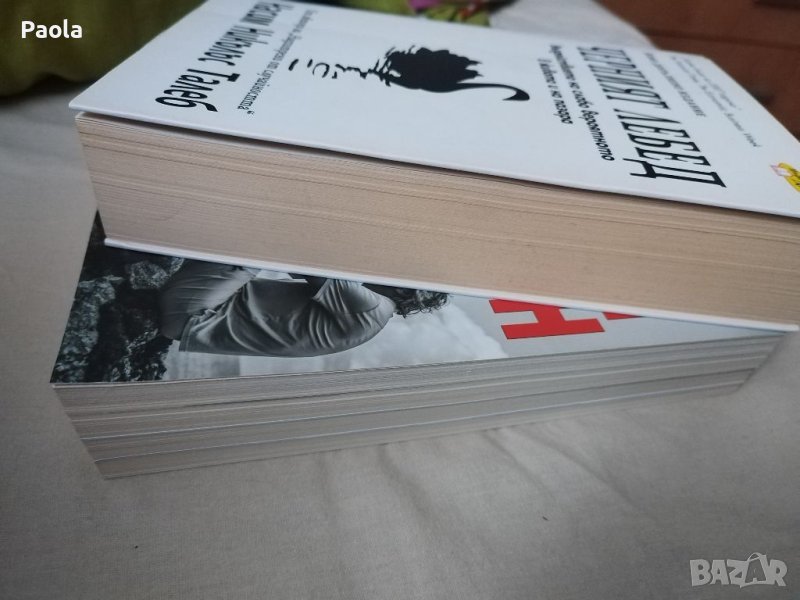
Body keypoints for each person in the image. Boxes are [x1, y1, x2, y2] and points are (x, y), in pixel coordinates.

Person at [159, 259, 448, 357]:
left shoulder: (371, 307)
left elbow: (300, 259)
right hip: (191, 320)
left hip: (194, 313)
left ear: (403, 289)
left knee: (256, 238)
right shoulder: (373, 317)